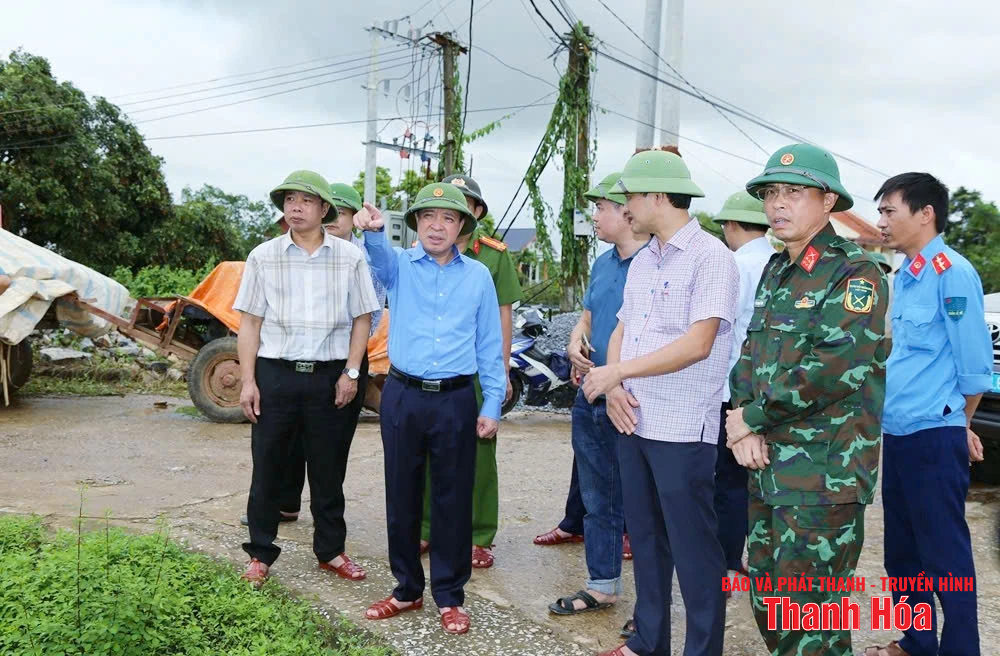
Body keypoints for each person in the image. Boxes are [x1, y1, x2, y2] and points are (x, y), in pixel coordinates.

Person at [726, 144, 887, 656]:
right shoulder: (778, 270)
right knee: (771, 604)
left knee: (811, 623)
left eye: (794, 191)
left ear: (827, 201)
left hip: (824, 475)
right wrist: (744, 420)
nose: (779, 203)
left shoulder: (857, 273)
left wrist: (749, 418)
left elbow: (833, 368)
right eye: (772, 192)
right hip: (770, 466)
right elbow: (750, 353)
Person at [583, 149, 738, 656]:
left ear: (656, 196)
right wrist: (615, 389)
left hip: (681, 427)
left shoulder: (712, 257)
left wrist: (618, 373)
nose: (623, 206)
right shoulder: (646, 259)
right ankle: (649, 641)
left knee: (694, 550)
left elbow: (699, 343)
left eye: (628, 196)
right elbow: (625, 329)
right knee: (646, 543)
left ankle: (702, 649)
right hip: (633, 418)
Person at [356, 182, 505, 635]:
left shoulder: (478, 276)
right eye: (427, 217)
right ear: (416, 224)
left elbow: (488, 345)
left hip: (457, 398)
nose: (436, 226)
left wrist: (493, 401)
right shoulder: (399, 267)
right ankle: (406, 589)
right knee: (401, 493)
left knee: (452, 497)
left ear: (461, 226)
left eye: (447, 218)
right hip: (402, 395)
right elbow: (378, 260)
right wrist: (376, 231)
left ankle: (449, 596)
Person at [862, 172, 992, 656]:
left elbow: (974, 367)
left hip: (933, 435)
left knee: (945, 556)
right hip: (898, 433)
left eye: (889, 211)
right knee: (902, 553)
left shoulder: (951, 272)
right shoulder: (907, 275)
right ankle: (916, 643)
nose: (881, 222)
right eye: (879, 213)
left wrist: (959, 425)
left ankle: (961, 649)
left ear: (925, 214)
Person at [233, 170, 380, 586]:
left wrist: (352, 372)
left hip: (330, 377)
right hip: (276, 374)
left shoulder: (349, 257)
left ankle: (331, 551)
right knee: (268, 467)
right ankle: (260, 553)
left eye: (305, 200)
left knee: (328, 468)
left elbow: (362, 318)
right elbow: (250, 323)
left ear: (323, 210)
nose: (295, 207)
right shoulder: (264, 256)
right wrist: (248, 380)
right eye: (289, 200)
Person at [548, 171, 647, 617]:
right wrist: (575, 342)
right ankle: (602, 584)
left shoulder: (657, 264)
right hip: (590, 395)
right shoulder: (604, 263)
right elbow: (588, 316)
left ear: (627, 211)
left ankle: (652, 609)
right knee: (597, 497)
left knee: (644, 505)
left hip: (634, 400)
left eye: (601, 207)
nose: (595, 216)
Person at [417, 173, 523, 569]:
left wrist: (502, 369)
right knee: (427, 450)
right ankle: (427, 527)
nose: (445, 219)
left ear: (473, 214)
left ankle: (479, 534)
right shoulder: (419, 252)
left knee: (478, 453)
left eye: (462, 206)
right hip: (434, 368)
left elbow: (503, 316)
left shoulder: (493, 256)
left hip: (477, 372)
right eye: (436, 211)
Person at [710, 191, 776, 582]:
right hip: (771, 395)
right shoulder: (780, 263)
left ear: (730, 225)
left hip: (732, 391)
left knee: (730, 483)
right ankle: (756, 557)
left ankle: (728, 562)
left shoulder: (734, 266)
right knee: (761, 482)